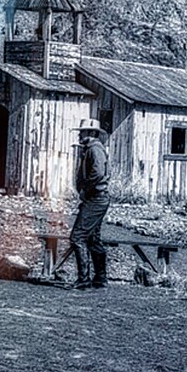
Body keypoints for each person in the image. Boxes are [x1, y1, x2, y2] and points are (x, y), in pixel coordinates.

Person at [70, 117, 111, 290]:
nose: (80, 134)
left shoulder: (95, 149)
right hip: (96, 197)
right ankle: (100, 278)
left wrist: (85, 188)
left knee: (77, 237)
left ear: (92, 133)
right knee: (93, 238)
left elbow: (98, 173)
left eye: (83, 131)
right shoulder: (92, 149)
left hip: (96, 197)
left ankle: (84, 279)